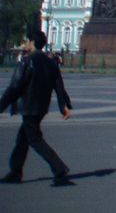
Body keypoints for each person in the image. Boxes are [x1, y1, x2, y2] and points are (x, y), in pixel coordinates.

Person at [0, 30, 72, 186]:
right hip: (41, 107)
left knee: (34, 139)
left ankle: (59, 167)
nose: (26, 44)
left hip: (29, 107)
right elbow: (59, 86)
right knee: (23, 139)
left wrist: (1, 105)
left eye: (27, 41)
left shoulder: (27, 61)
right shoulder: (51, 63)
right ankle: (15, 171)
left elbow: (15, 86)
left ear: (32, 42)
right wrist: (63, 107)